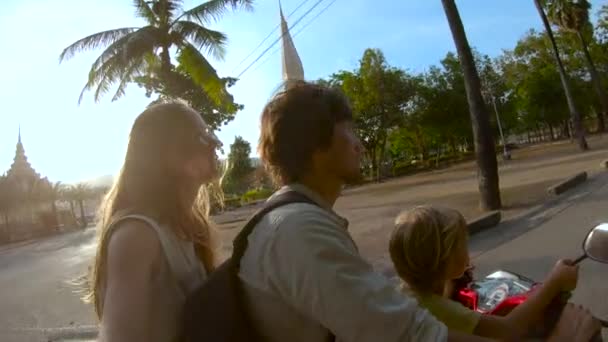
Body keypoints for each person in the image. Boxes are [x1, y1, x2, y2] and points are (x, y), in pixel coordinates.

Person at [237, 80, 600, 342]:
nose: (359, 145)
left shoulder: (293, 221)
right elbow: (412, 338)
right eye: (348, 130)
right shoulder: (300, 231)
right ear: (317, 145)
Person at [86, 102, 221, 342]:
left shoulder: (188, 226)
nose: (215, 145)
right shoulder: (138, 235)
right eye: (203, 139)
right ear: (170, 154)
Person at [389, 205, 601, 340]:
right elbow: (508, 329)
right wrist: (554, 282)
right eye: (462, 244)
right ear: (444, 260)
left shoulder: (406, 296)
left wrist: (450, 284)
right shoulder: (439, 308)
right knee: (585, 327)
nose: (467, 250)